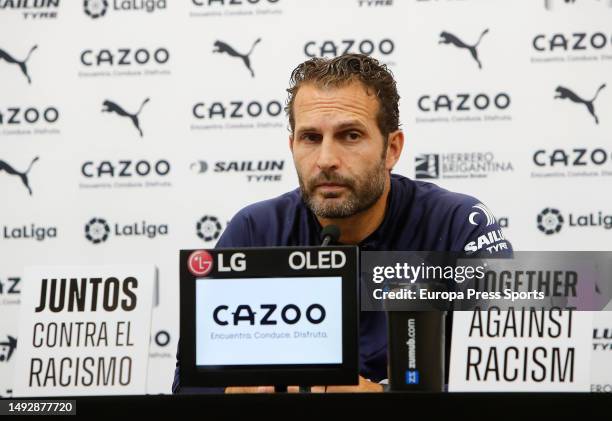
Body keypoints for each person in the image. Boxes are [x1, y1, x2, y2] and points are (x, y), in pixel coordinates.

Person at [173, 53, 511, 393]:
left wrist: (386, 399)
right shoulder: (253, 231)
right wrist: (231, 392)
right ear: (292, 146)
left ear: (392, 148)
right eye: (310, 138)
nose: (326, 160)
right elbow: (189, 386)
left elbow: (507, 377)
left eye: (350, 136)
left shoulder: (460, 225)